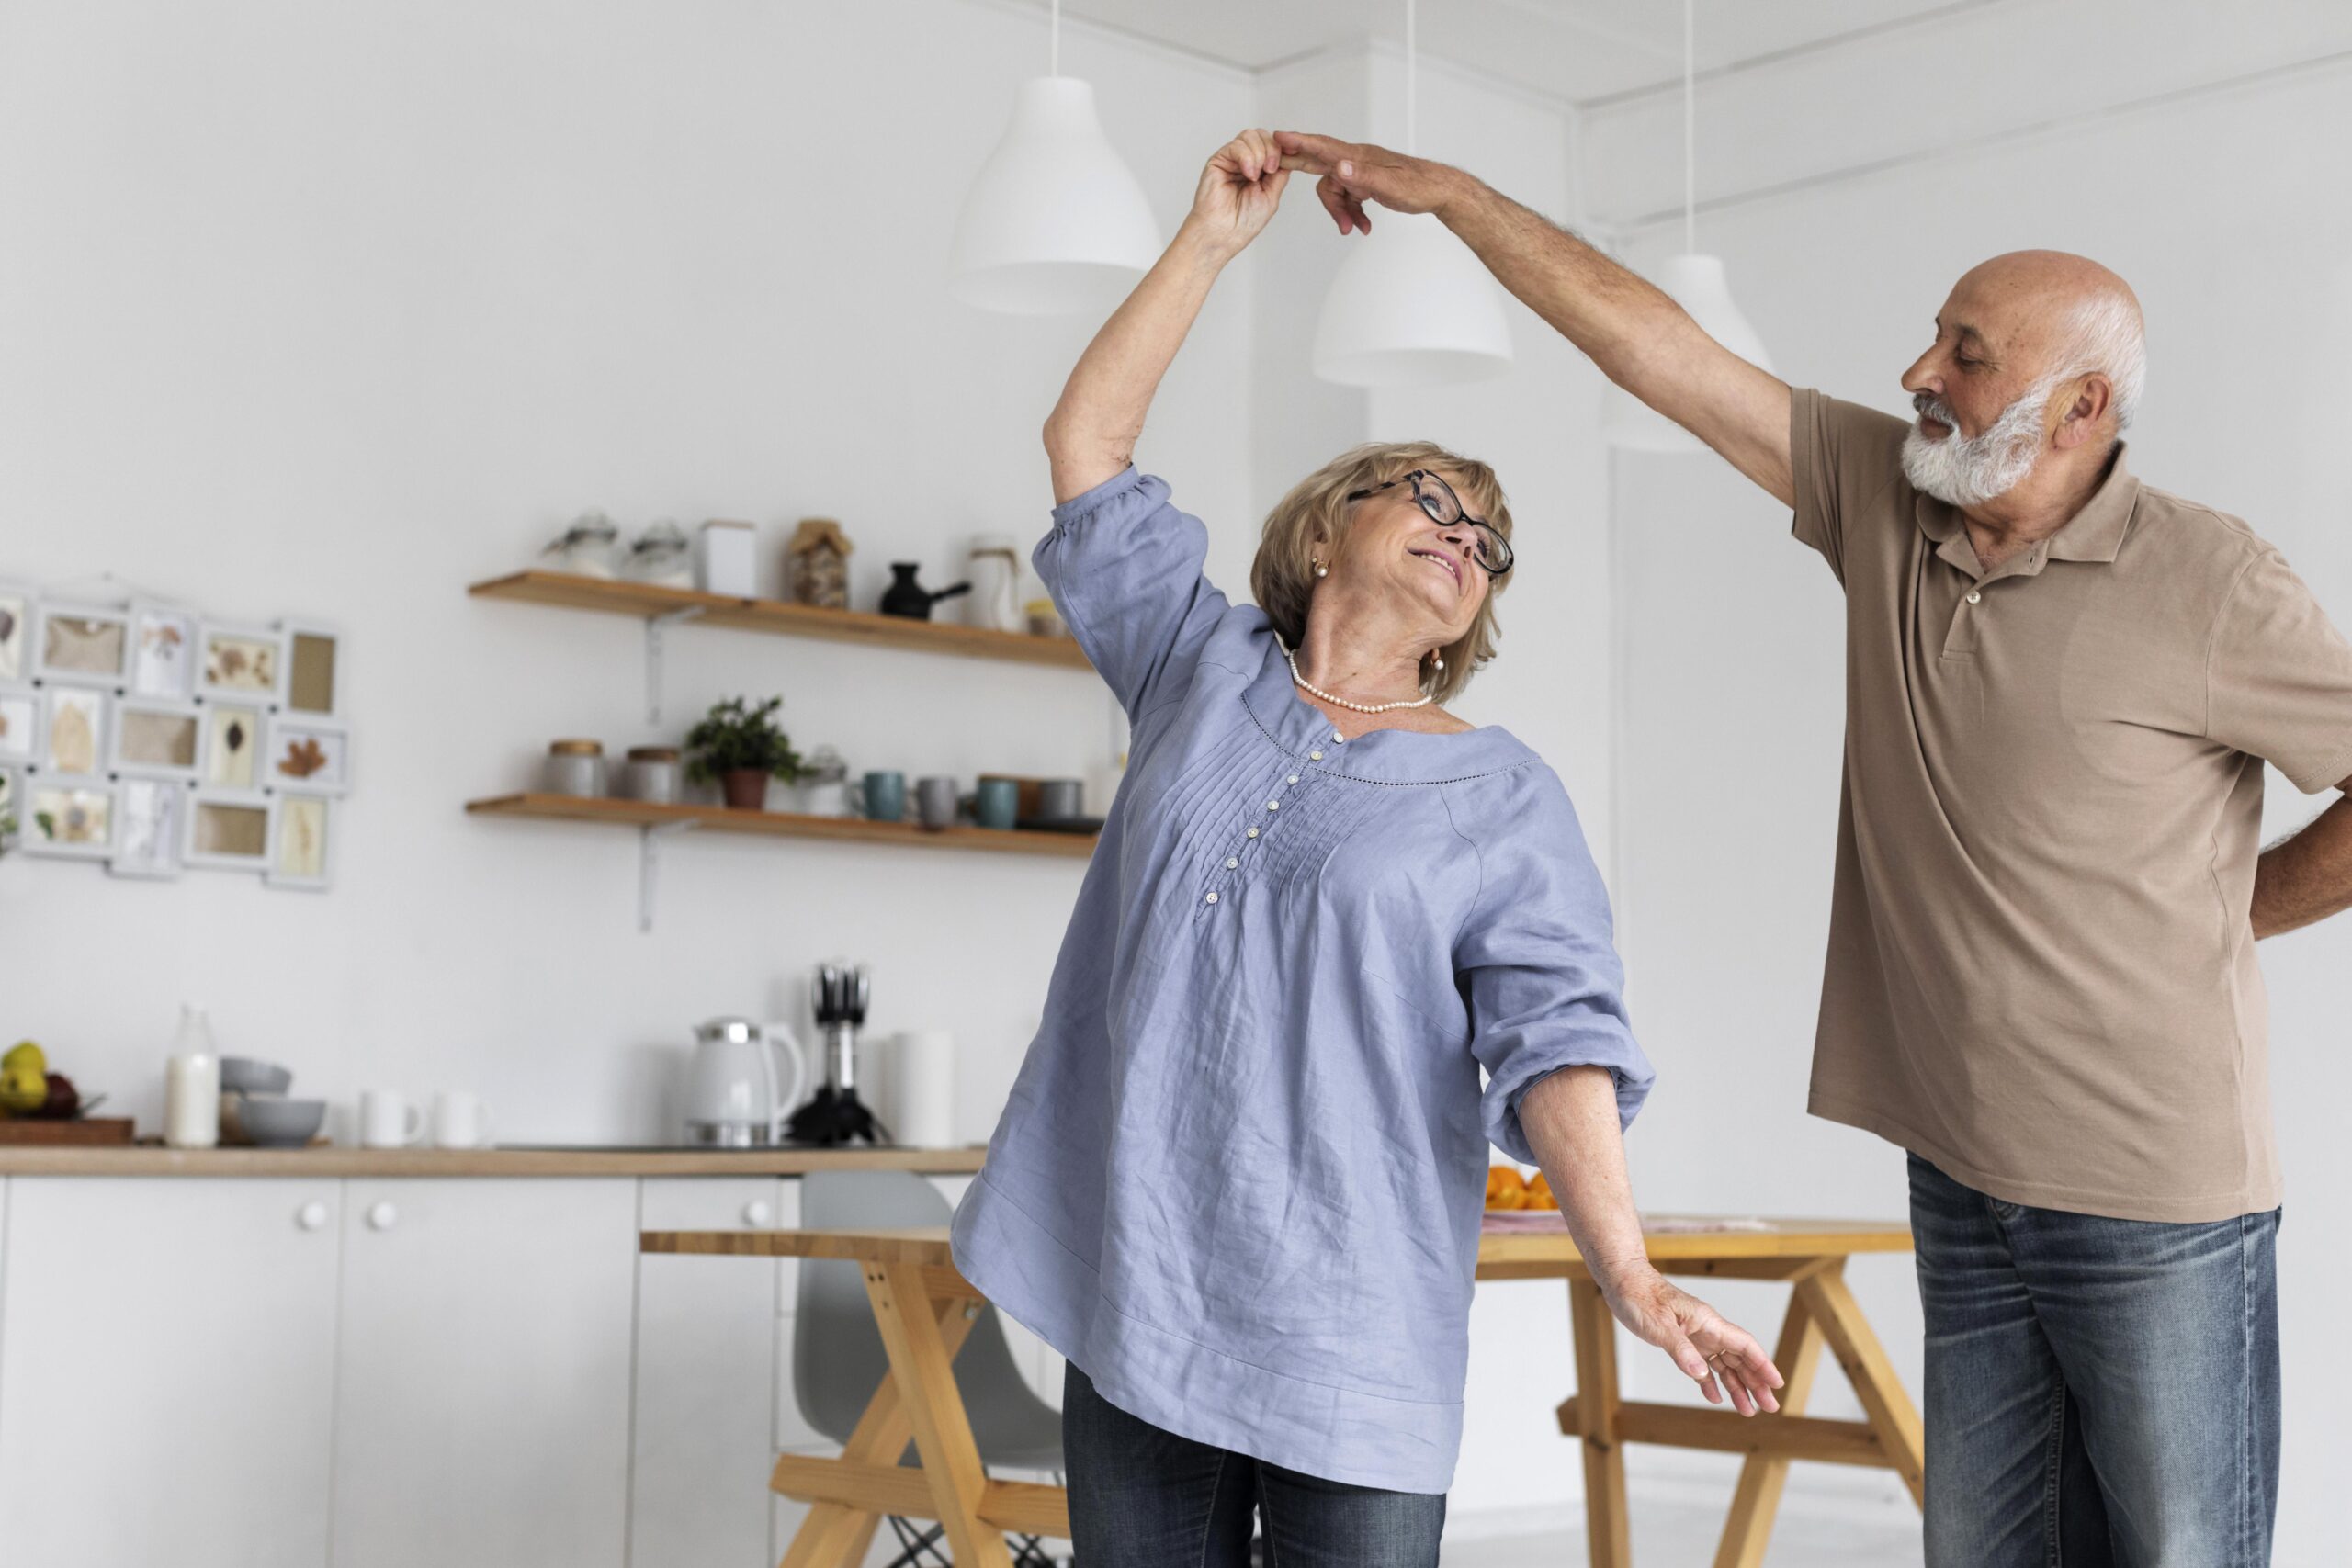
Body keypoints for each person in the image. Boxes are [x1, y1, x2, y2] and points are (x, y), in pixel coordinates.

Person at [1267, 131, 2352, 1567]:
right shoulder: (1887, 499)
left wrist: (2221, 916)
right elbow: (1663, 353)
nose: (1920, 372)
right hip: (1960, 1174)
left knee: (2180, 1553)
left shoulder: (2215, 584)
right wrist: (1459, 199)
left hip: (2155, 1193)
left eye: (1967, 355)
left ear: (2080, 405)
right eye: (1936, 340)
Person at [948, 129, 1782, 1568]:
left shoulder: (1503, 797)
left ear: (1477, 619)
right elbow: (1087, 448)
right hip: (1143, 1283)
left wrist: (1632, 1271)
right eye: (1433, 500)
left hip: (1353, 1329)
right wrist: (1209, 241)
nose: (1467, 537)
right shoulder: (1197, 671)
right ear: (1330, 529)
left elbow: (1559, 1035)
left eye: (1490, 543)